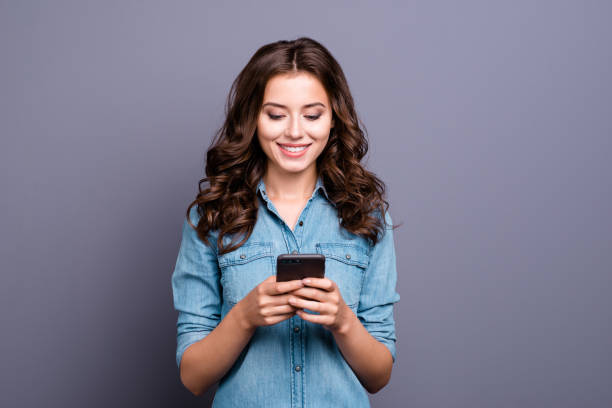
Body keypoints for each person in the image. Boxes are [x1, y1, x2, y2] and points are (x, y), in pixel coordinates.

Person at [171, 37, 400, 407]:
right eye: (276, 114)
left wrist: (343, 321)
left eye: (312, 115)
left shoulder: (367, 216)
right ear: (252, 118)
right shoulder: (211, 217)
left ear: (334, 119)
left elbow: (379, 375)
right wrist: (244, 317)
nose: (295, 131)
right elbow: (193, 377)